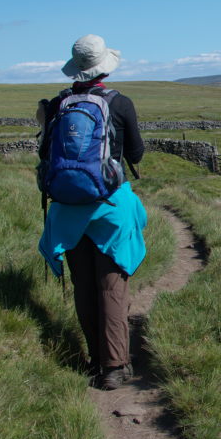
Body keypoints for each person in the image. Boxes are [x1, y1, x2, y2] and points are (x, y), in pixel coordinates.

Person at [38, 34, 146, 390]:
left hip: (68, 211)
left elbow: (45, 156)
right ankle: (114, 367)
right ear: (104, 68)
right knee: (111, 288)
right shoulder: (120, 103)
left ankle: (95, 360)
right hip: (109, 209)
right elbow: (136, 153)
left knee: (83, 286)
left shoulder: (58, 104)